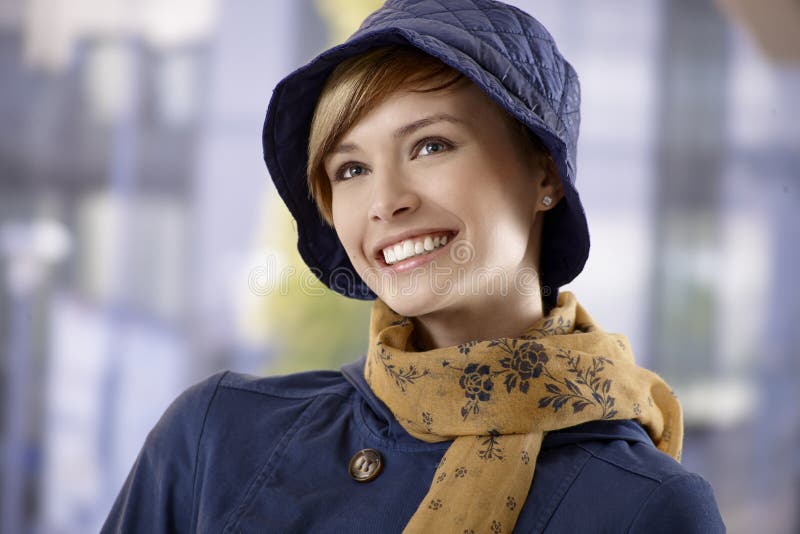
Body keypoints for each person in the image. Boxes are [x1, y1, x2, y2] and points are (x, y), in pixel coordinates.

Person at [103, 0, 726, 532]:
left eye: (431, 146)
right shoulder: (216, 436)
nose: (385, 201)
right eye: (350, 169)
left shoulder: (644, 505)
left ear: (544, 173)